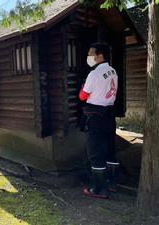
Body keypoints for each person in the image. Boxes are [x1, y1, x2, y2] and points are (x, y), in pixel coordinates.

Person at [79, 43, 120, 199]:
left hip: (96, 116)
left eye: (91, 54)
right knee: (110, 151)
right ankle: (112, 183)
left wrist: (83, 87)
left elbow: (83, 96)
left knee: (95, 152)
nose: (89, 57)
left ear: (100, 55)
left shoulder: (94, 73)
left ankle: (98, 189)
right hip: (109, 114)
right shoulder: (113, 71)